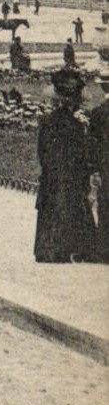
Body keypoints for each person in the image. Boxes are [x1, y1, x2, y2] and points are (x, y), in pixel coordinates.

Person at [34, 67, 97, 263]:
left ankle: (51, 249)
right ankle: (78, 248)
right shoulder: (78, 124)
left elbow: (42, 152)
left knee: (53, 207)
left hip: (53, 173)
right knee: (74, 205)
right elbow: (83, 154)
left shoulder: (47, 121)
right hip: (72, 174)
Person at [87, 71, 109, 262]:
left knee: (105, 204)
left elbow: (92, 144)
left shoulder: (98, 113)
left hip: (105, 166)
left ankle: (104, 249)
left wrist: (93, 169)